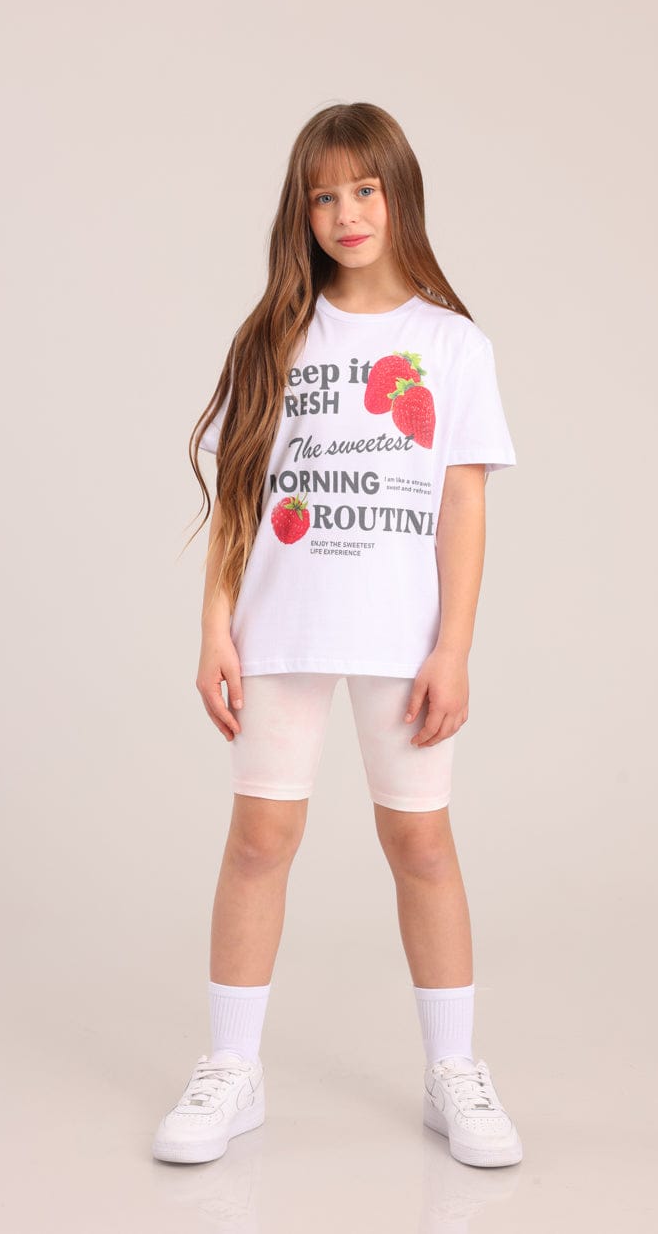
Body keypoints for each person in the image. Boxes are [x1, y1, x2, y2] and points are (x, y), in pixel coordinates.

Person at [152, 102, 523, 1170]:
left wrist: (454, 647)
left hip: (404, 638)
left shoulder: (451, 344)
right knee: (259, 838)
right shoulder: (274, 338)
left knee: (422, 845)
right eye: (324, 194)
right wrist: (214, 627)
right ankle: (233, 1066)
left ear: (400, 195)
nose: (346, 211)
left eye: (365, 188)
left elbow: (463, 505)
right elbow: (239, 497)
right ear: (300, 210)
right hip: (281, 626)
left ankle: (453, 1069)